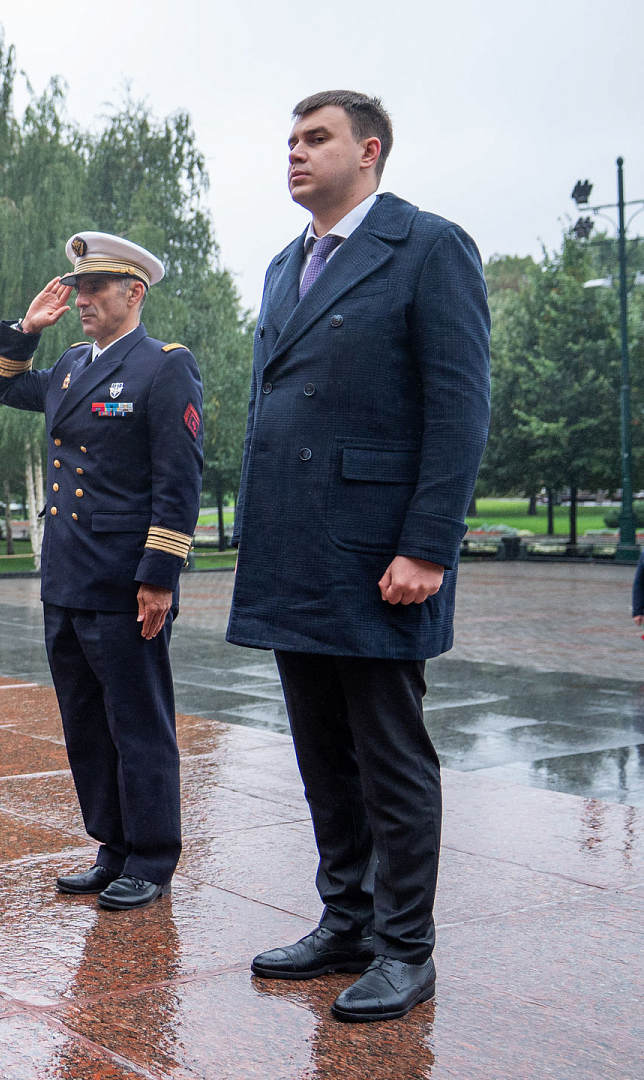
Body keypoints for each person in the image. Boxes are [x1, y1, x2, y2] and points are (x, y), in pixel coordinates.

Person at [230, 91, 490, 1023]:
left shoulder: (427, 246)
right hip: (296, 548)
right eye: (289, 139)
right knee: (321, 751)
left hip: (381, 554)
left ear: (369, 150)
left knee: (389, 754)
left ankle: (405, 947)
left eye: (315, 138)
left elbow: (460, 407)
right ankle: (345, 917)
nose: (294, 153)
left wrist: (430, 543)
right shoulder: (282, 265)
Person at [0, 233, 205, 911]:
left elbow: (179, 478)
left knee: (138, 721)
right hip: (67, 574)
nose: (81, 300)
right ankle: (111, 845)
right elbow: (2, 386)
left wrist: (160, 575)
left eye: (94, 289)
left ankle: (151, 855)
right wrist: (27, 329)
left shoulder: (163, 368)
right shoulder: (74, 365)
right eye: (77, 288)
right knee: (85, 722)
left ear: (133, 293)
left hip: (123, 578)